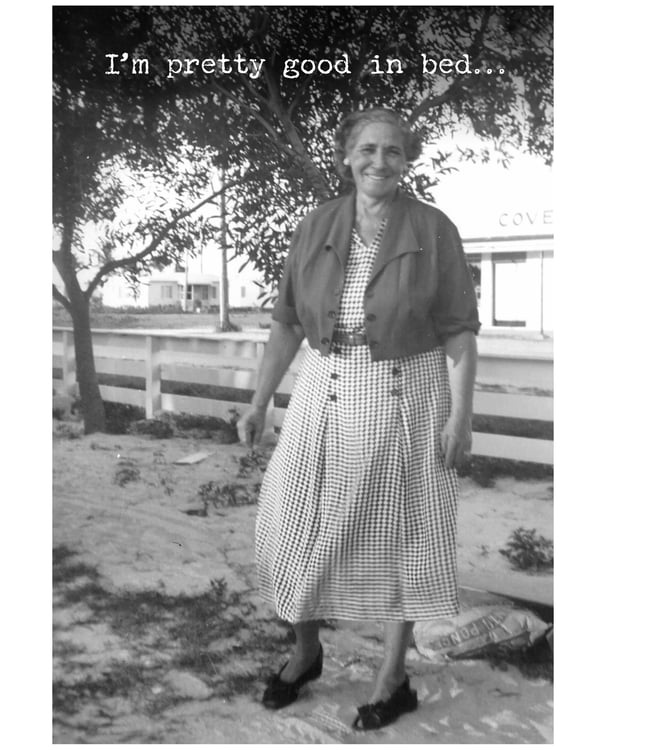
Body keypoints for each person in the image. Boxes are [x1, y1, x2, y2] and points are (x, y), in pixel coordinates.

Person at [237, 107, 479, 731]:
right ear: (346, 157)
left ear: (407, 160)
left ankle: (392, 678)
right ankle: (306, 652)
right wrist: (259, 401)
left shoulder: (434, 229)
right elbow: (287, 323)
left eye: (393, 151)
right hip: (322, 388)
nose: (379, 161)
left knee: (404, 532)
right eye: (367, 149)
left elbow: (459, 332)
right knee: (291, 522)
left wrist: (460, 417)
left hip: (406, 393)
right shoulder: (316, 224)